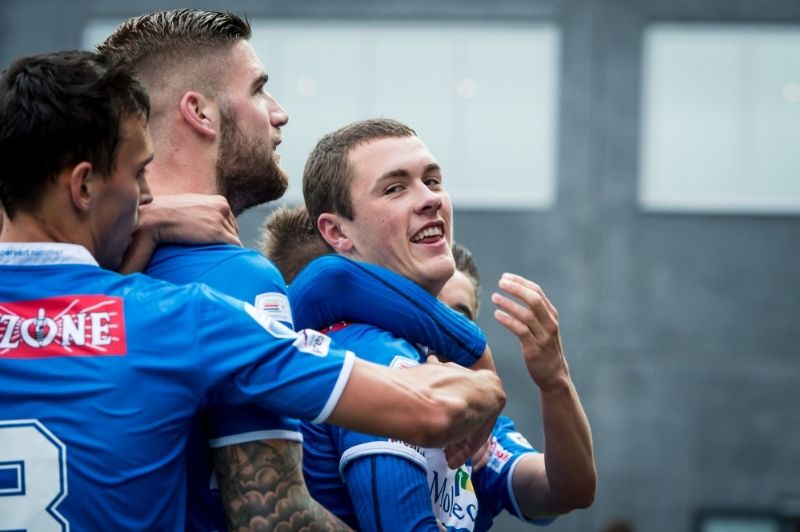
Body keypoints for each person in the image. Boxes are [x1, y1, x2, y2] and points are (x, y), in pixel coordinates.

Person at [0, 50, 505, 529]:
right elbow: (437, 407)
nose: (148, 197)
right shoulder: (187, 319)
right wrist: (479, 372)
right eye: (137, 175)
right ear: (83, 187)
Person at [263, 118, 596, 530]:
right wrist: (477, 353)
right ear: (336, 231)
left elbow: (567, 492)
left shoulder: (437, 371)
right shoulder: (372, 355)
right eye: (394, 188)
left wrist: (555, 381)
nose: (430, 199)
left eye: (433, 181)